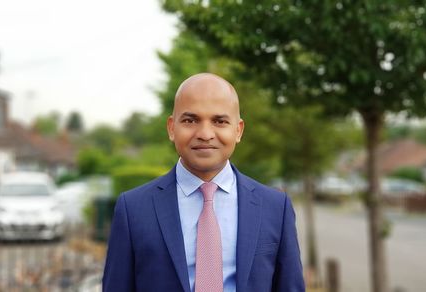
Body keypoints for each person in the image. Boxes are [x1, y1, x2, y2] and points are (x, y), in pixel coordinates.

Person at [102, 73, 304, 292]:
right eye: (190, 120)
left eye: (219, 121)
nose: (205, 134)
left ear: (238, 130)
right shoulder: (133, 209)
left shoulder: (275, 207)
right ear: (172, 128)